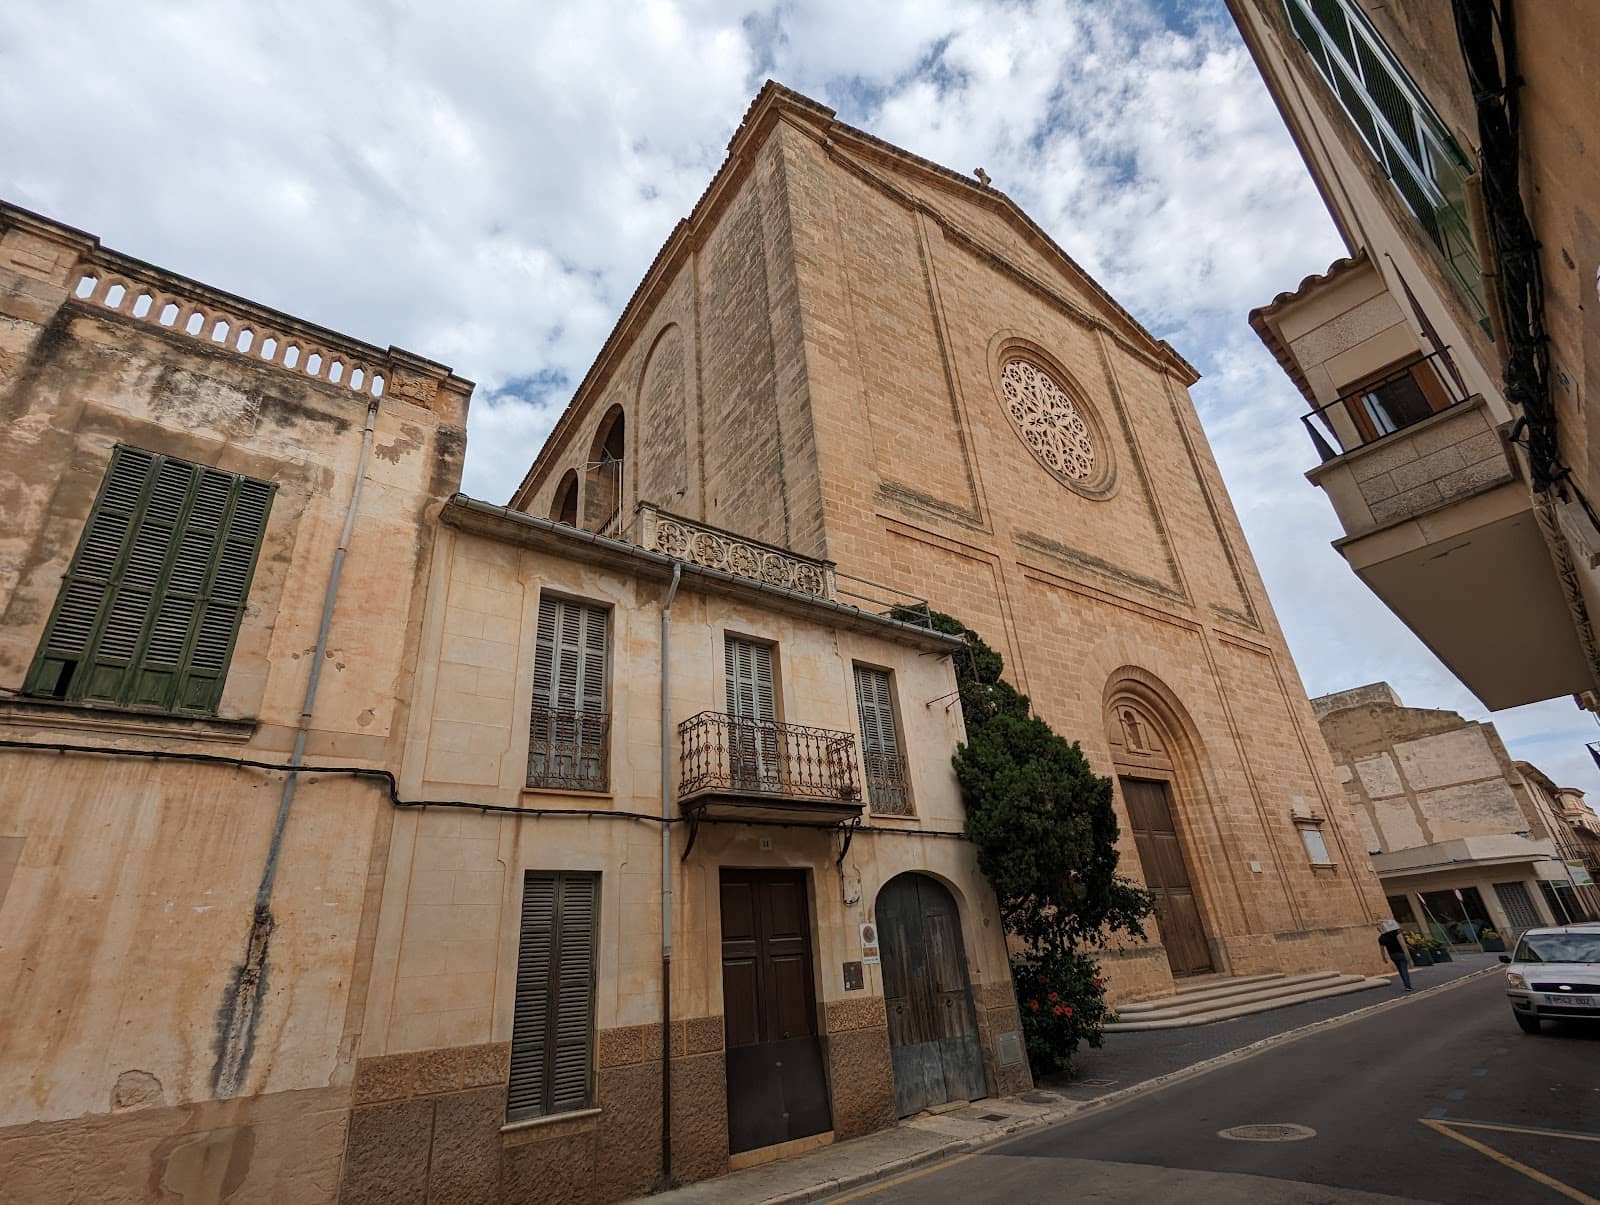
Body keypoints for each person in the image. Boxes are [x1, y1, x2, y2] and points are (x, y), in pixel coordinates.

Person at [1378, 919, 1411, 990]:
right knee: (1404, 969)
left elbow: (1382, 949)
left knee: (1400, 970)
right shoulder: (1392, 933)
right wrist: (1395, 923)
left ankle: (1406, 984)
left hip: (1392, 955)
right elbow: (1401, 929)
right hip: (1400, 953)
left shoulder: (1381, 938)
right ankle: (1407, 985)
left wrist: (1384, 958)